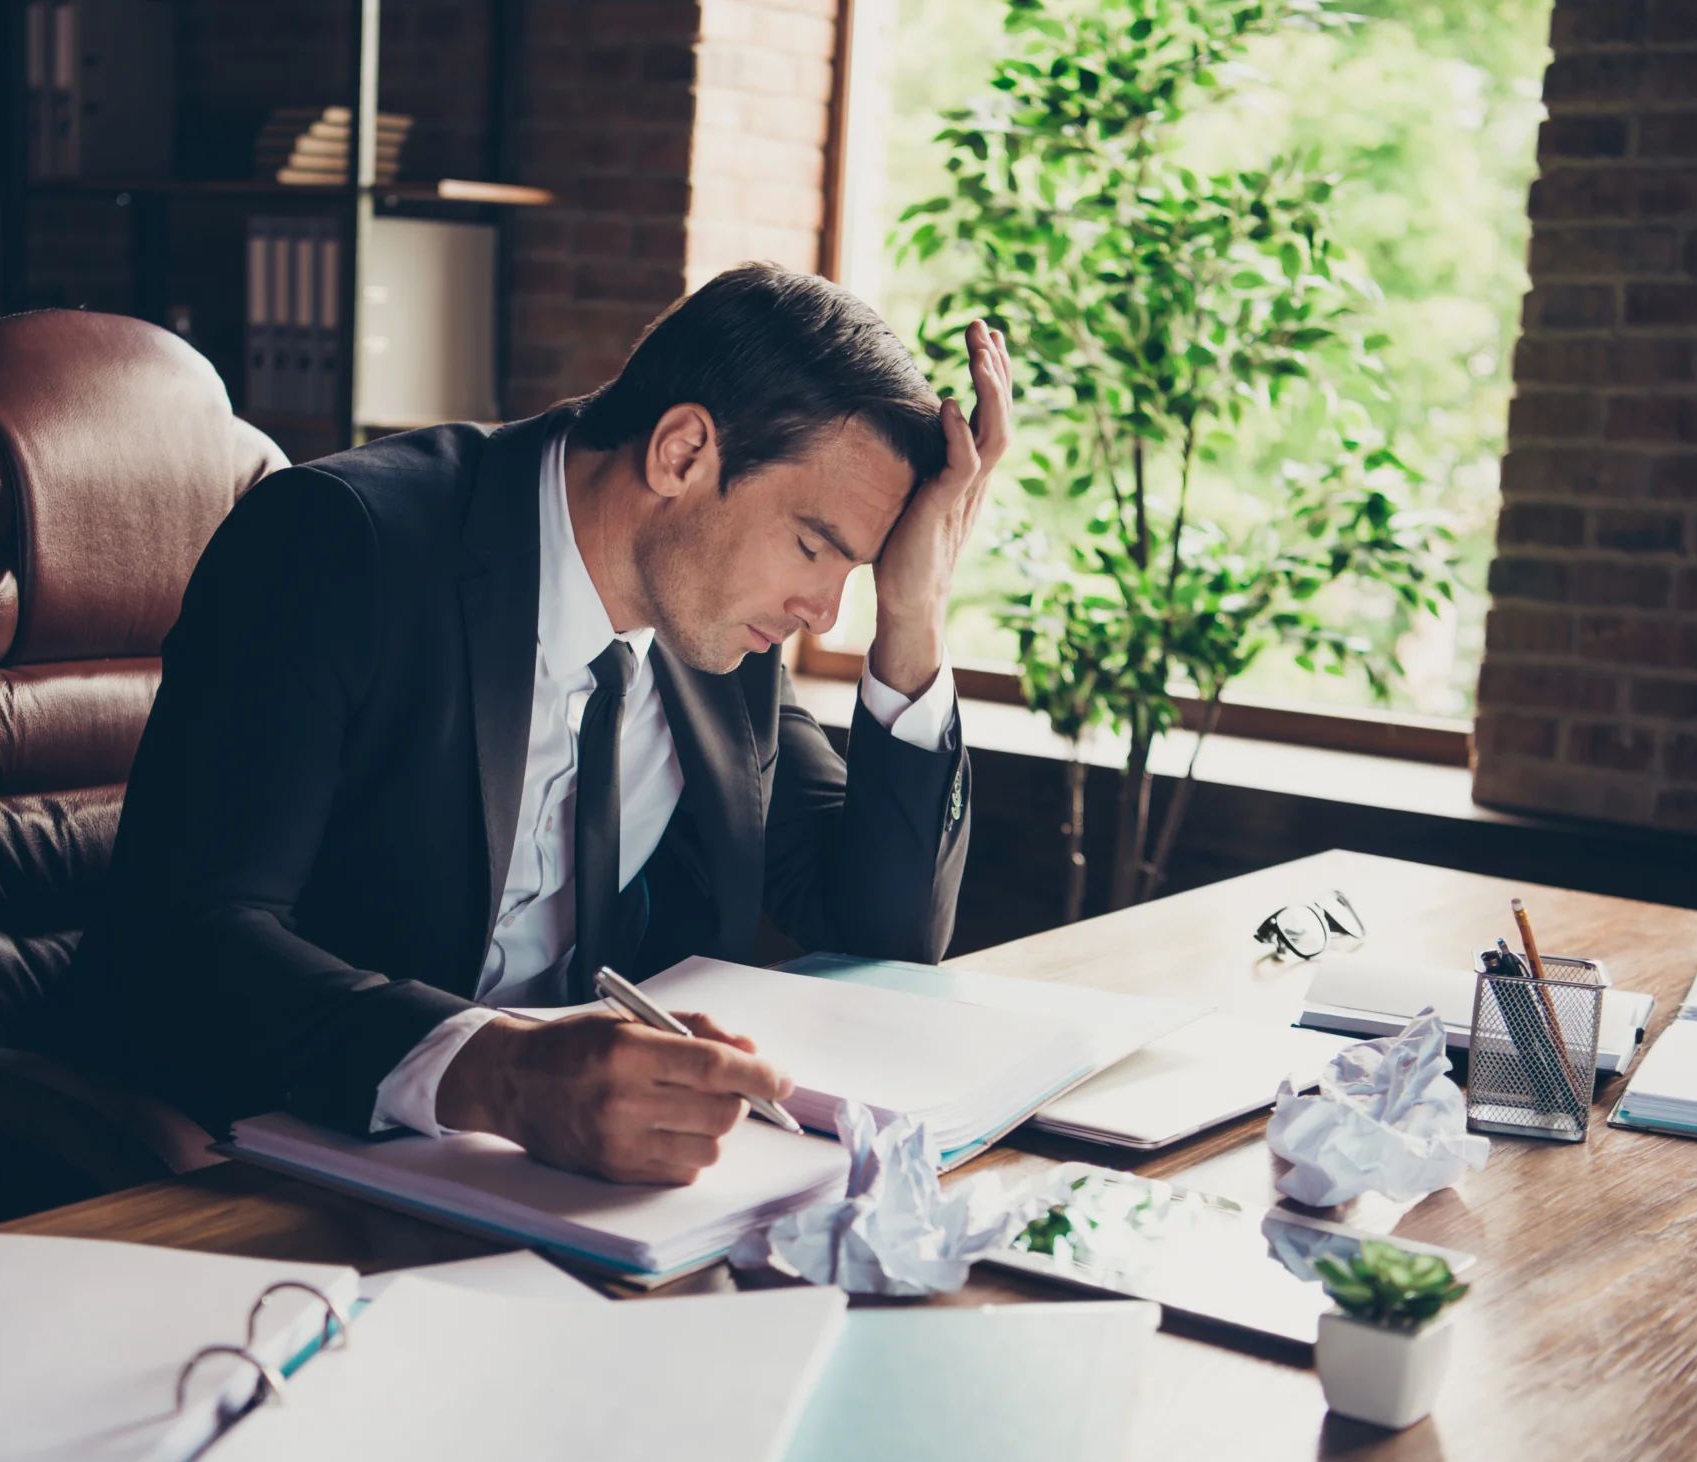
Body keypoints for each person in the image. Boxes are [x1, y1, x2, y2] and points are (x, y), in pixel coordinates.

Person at [71, 262, 1012, 1185]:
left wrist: (914, 610)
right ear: (683, 452)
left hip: (577, 1186)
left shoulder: (722, 630)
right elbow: (181, 944)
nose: (823, 613)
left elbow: (881, 933)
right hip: (283, 1161)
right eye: (813, 547)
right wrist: (503, 1077)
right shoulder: (339, 544)